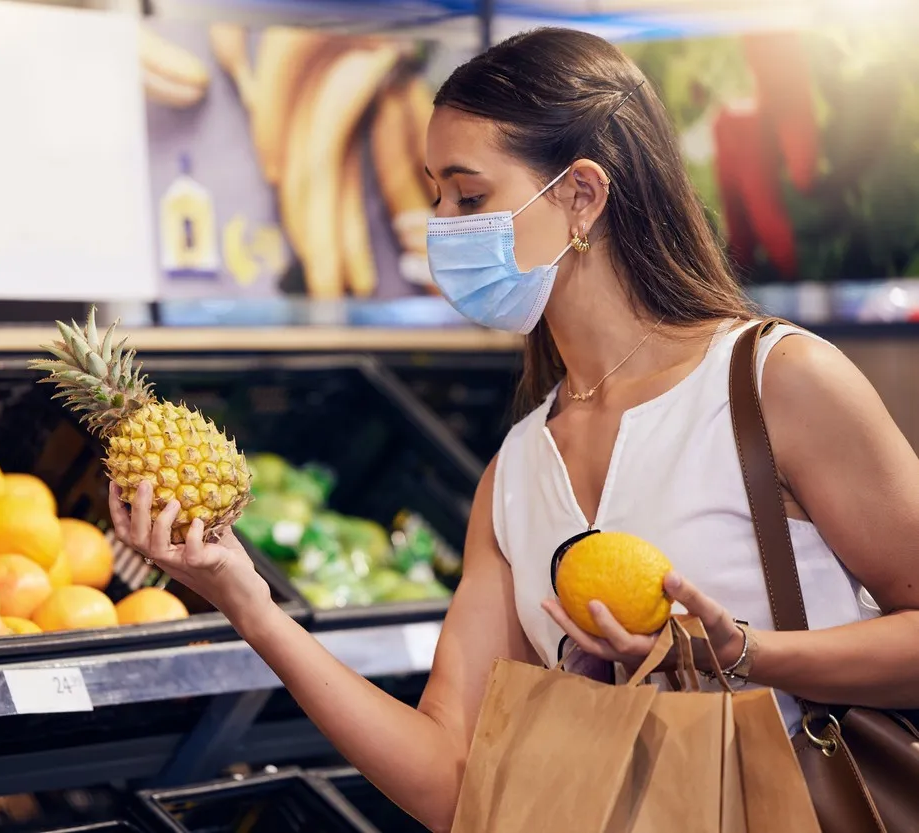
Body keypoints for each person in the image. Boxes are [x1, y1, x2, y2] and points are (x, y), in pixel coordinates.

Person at [110, 27, 919, 833]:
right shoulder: (516, 471)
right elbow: (452, 779)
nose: (442, 227)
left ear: (581, 196)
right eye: (435, 196)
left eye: (469, 196)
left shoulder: (774, 381)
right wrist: (248, 601)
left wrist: (746, 652)